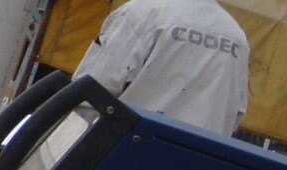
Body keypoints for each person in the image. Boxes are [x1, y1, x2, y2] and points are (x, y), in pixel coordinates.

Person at [75, 0, 251, 135]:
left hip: (123, 152)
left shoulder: (143, 12)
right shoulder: (237, 37)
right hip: (198, 164)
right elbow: (234, 116)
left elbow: (89, 92)